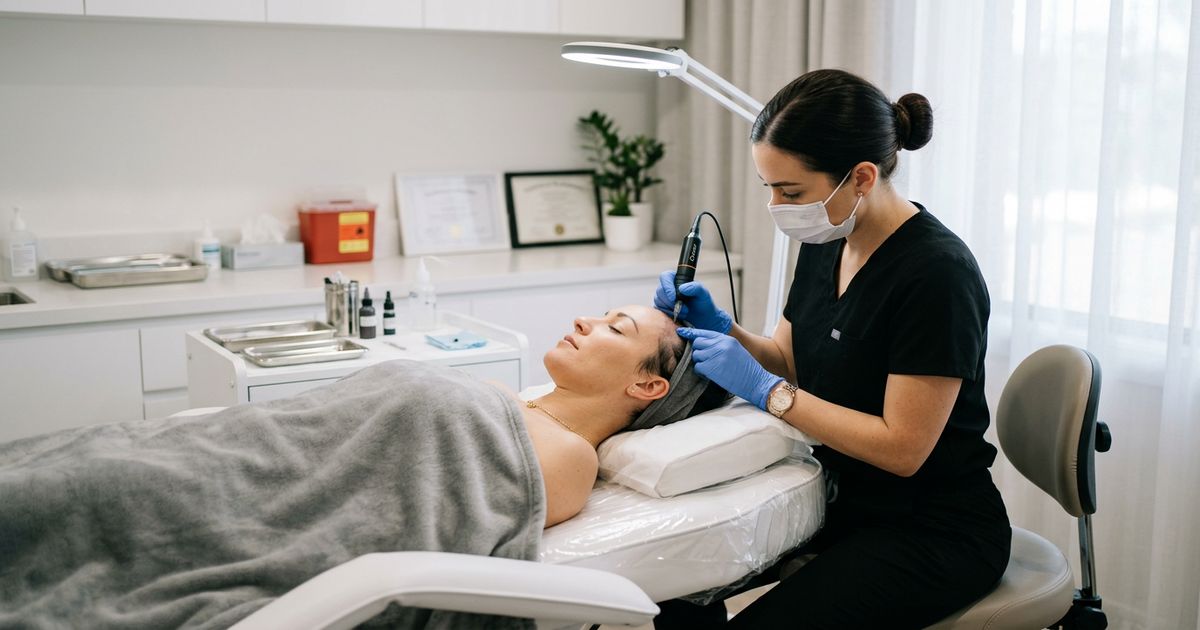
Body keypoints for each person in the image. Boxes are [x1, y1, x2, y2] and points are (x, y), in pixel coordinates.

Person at [0, 303, 724, 629]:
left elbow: (401, 498)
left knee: (92, 496)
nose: (584, 323)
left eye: (614, 329)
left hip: (241, 502)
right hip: (236, 453)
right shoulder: (515, 401)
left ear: (647, 387)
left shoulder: (569, 459)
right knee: (92, 467)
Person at [653, 69, 1011, 628]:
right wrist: (728, 331)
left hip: (933, 529)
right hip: (837, 499)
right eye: (768, 186)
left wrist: (769, 393)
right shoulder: (827, 241)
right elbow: (792, 360)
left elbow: (903, 448)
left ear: (861, 177)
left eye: (790, 191)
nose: (776, 205)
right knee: (671, 583)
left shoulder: (937, 274)